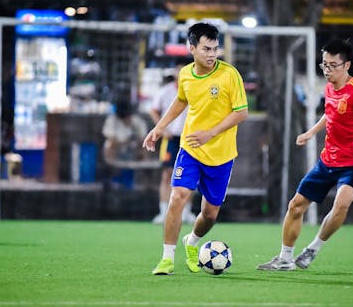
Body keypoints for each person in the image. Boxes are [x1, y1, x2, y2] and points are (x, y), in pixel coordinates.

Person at [257, 39, 353, 271]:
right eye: (324, 65)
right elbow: (330, 114)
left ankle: (313, 249)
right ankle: (285, 259)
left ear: (347, 65)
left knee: (341, 204)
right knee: (295, 206)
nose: (328, 70)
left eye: (333, 65)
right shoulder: (329, 87)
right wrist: (310, 133)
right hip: (327, 160)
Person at [143, 22, 248, 275]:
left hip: (221, 155)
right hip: (190, 149)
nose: (212, 54)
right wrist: (159, 127)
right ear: (192, 48)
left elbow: (242, 112)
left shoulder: (229, 74)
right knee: (178, 196)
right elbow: (181, 100)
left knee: (209, 214)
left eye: (215, 49)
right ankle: (167, 259)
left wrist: (210, 133)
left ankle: (191, 242)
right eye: (206, 49)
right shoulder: (186, 75)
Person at [149, 63, 196, 225]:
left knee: (190, 175)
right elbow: (153, 110)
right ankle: (164, 212)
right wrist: (161, 129)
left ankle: (187, 212)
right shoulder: (165, 91)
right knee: (167, 174)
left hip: (190, 139)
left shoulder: (196, 88)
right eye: (178, 69)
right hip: (171, 138)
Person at [102, 100, 148, 166]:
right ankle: (111, 168)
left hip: (133, 146)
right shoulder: (112, 120)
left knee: (145, 146)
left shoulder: (137, 121)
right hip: (118, 146)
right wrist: (121, 143)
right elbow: (110, 138)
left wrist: (134, 142)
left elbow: (143, 137)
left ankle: (143, 168)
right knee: (109, 145)